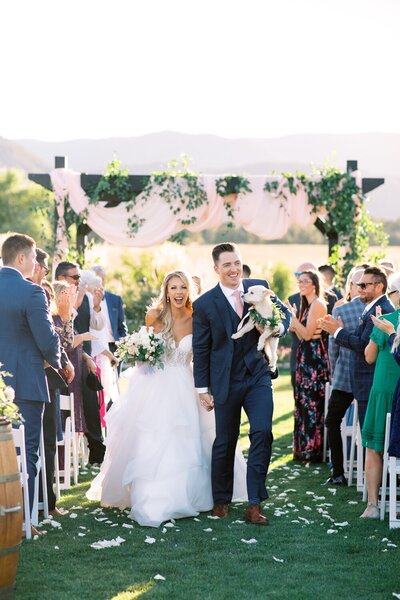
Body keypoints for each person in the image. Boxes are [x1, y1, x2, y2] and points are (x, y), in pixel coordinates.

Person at [87, 270, 247, 527]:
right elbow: (142, 357)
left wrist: (206, 388)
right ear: (166, 290)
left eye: (183, 287)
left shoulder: (198, 317)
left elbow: (204, 355)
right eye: (174, 288)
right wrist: (141, 352)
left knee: (189, 439)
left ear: (189, 290)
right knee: (154, 438)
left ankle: (191, 494)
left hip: (186, 383)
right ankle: (153, 497)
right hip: (155, 384)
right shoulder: (154, 315)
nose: (179, 293)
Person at [192, 243, 291, 526]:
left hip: (258, 375)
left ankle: (254, 503)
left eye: (237, 263)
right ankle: (220, 500)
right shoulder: (205, 304)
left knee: (262, 432)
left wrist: (276, 329)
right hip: (225, 380)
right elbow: (201, 349)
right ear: (216, 269)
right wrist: (202, 390)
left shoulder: (260, 287)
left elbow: (283, 316)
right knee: (225, 440)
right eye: (227, 265)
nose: (234, 269)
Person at [0, 233, 61, 534]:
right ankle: (24, 522)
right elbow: (48, 340)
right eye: (35, 257)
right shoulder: (32, 293)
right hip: (25, 383)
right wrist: (57, 359)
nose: (37, 263)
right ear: (21, 258)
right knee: (28, 453)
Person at [319, 266, 393, 427]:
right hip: (363, 383)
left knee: (370, 439)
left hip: (369, 382)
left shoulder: (381, 310)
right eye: (358, 285)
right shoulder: (372, 308)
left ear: (379, 286)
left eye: (364, 285)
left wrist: (337, 331)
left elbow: (362, 344)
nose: (359, 289)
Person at [55, 261, 106, 465]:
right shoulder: (54, 300)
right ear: (61, 279)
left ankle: (96, 451)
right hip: (62, 364)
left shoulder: (84, 298)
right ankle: (65, 458)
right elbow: (65, 337)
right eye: (75, 277)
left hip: (81, 358)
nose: (79, 281)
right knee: (70, 409)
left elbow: (97, 326)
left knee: (91, 405)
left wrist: (95, 306)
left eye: (79, 277)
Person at [360, 272, 400, 518]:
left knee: (374, 447)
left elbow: (369, 356)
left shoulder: (386, 320)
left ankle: (373, 505)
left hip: (385, 389)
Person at [325, 267, 364, 484]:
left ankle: (338, 472)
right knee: (366, 423)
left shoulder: (341, 310)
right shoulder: (380, 310)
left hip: (344, 376)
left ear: (352, 286)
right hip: (369, 377)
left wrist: (334, 369)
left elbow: (333, 348)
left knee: (332, 421)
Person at [289, 270, 329, 462]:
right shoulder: (307, 305)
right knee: (303, 402)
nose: (301, 284)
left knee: (312, 403)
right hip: (305, 357)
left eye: (305, 281)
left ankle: (313, 450)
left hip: (314, 360)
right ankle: (303, 448)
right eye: (299, 281)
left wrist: (295, 321)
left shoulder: (318, 305)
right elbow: (301, 335)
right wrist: (294, 322)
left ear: (314, 284)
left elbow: (306, 335)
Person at [91, 265, 128, 369]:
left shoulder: (115, 299)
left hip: (115, 346)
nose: (98, 283)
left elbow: (122, 325)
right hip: (97, 348)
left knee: (115, 380)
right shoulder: (87, 300)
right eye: (95, 280)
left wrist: (123, 346)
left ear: (104, 280)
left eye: (100, 279)